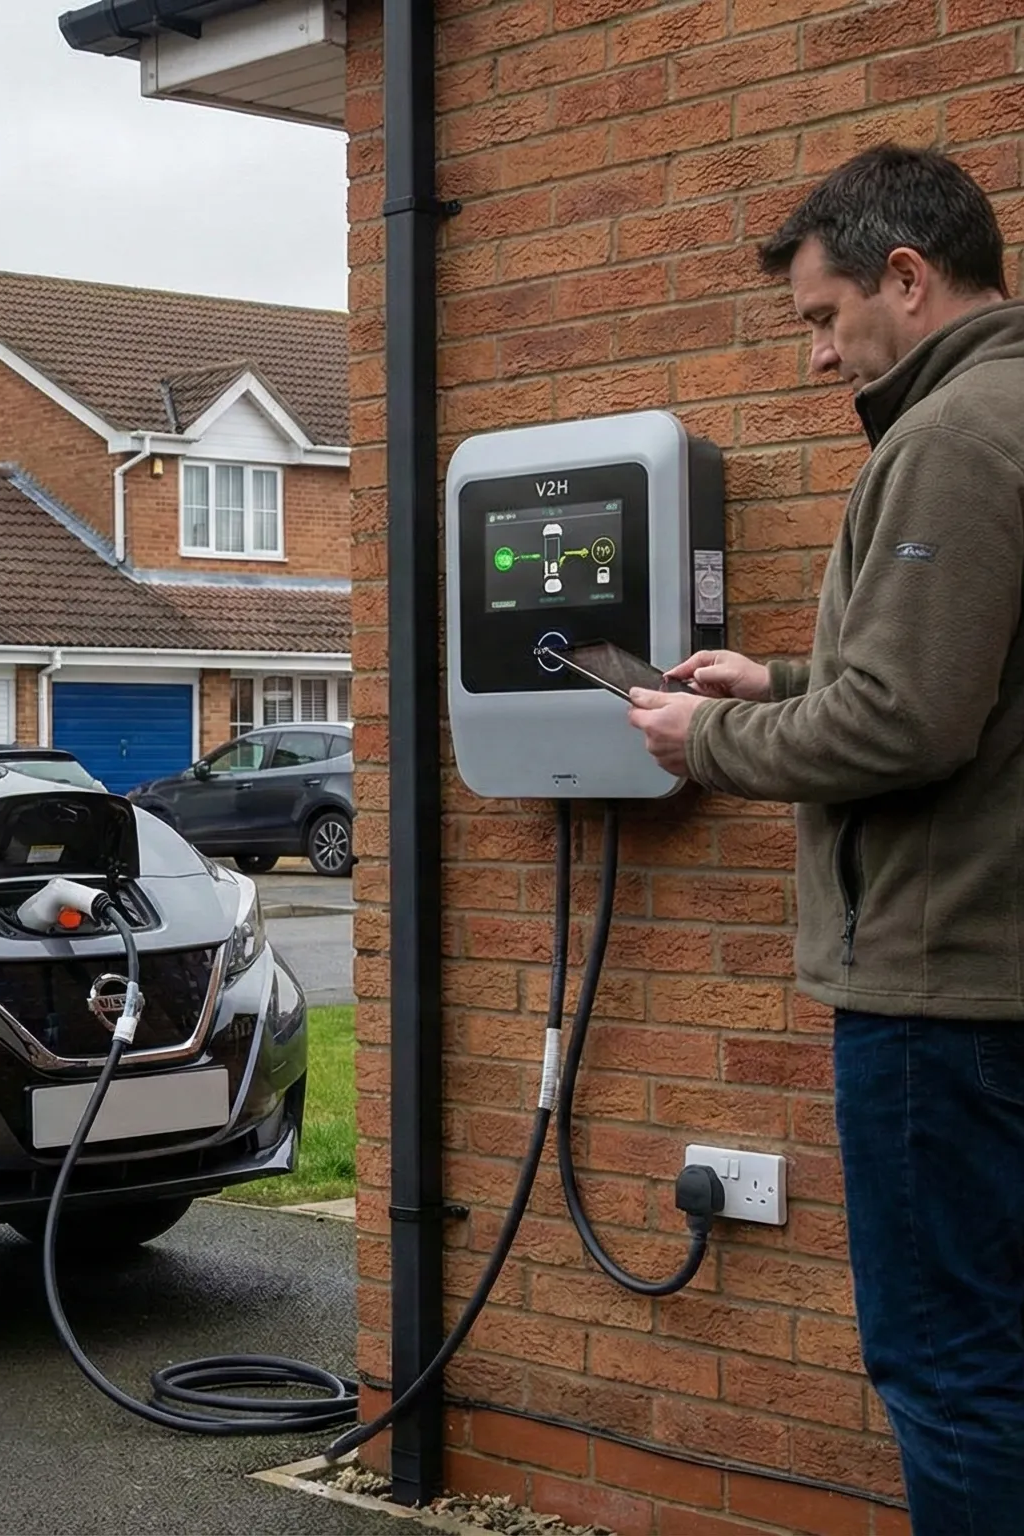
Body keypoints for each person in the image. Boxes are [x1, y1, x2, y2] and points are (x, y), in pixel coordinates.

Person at [624, 144, 1024, 1534]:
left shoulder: (952, 436)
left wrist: (706, 741)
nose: (811, 357)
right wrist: (779, 682)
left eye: (818, 318)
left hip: (941, 992)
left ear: (904, 280)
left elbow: (906, 729)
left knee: (950, 1364)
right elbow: (972, 690)